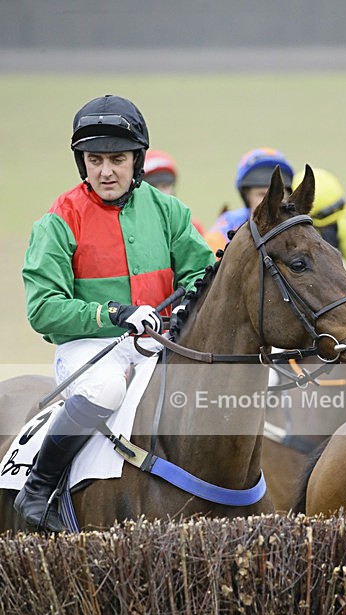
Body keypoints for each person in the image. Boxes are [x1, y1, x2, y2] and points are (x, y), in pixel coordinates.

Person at [14, 94, 214, 531]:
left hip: (160, 340)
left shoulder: (169, 212)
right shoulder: (57, 222)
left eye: (117, 159)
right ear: (81, 162)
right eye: (94, 159)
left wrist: (180, 310)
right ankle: (38, 489)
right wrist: (113, 314)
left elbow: (202, 274)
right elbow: (43, 309)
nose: (106, 171)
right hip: (92, 347)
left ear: (137, 160)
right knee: (106, 391)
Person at [204, 147, 294, 256]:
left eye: (279, 194)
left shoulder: (302, 228)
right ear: (246, 196)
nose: (270, 201)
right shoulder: (226, 227)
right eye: (261, 194)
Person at [143, 148, 205, 236]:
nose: (159, 193)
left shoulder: (191, 228)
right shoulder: (132, 227)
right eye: (153, 187)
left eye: (165, 186)